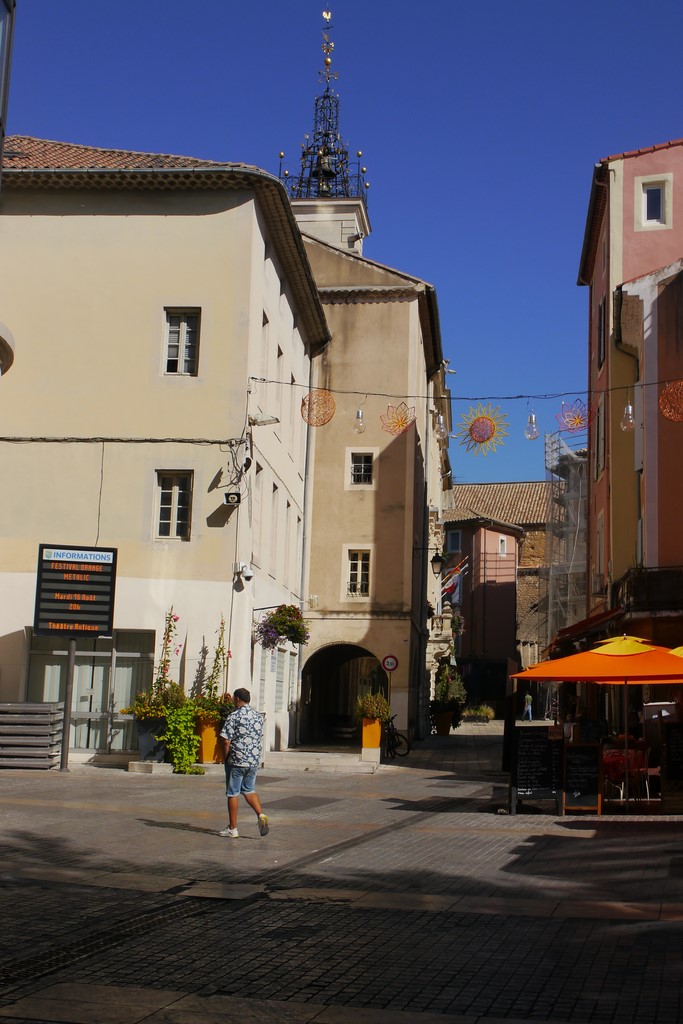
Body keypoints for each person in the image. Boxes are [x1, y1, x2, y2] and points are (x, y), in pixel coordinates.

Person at [218, 687, 269, 839]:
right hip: (253, 761)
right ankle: (261, 815)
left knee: (233, 793)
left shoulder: (234, 716)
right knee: (249, 790)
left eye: (234, 699)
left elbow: (226, 740)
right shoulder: (258, 716)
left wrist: (225, 757)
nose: (233, 701)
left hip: (237, 760)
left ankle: (232, 828)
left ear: (238, 699)